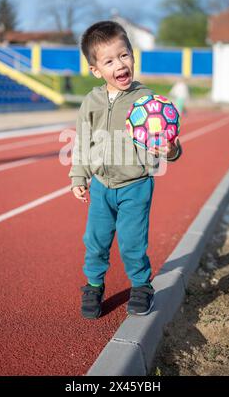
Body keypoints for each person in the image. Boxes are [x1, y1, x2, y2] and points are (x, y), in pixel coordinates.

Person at [68, 21, 182, 319]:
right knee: (95, 241)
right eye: (109, 61)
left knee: (132, 242)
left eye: (124, 55)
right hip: (101, 186)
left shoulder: (148, 101)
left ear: (132, 56)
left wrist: (170, 150)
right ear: (96, 70)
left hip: (136, 185)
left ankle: (142, 286)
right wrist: (78, 176)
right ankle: (93, 285)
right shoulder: (90, 103)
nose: (120, 64)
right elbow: (82, 142)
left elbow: (169, 142)